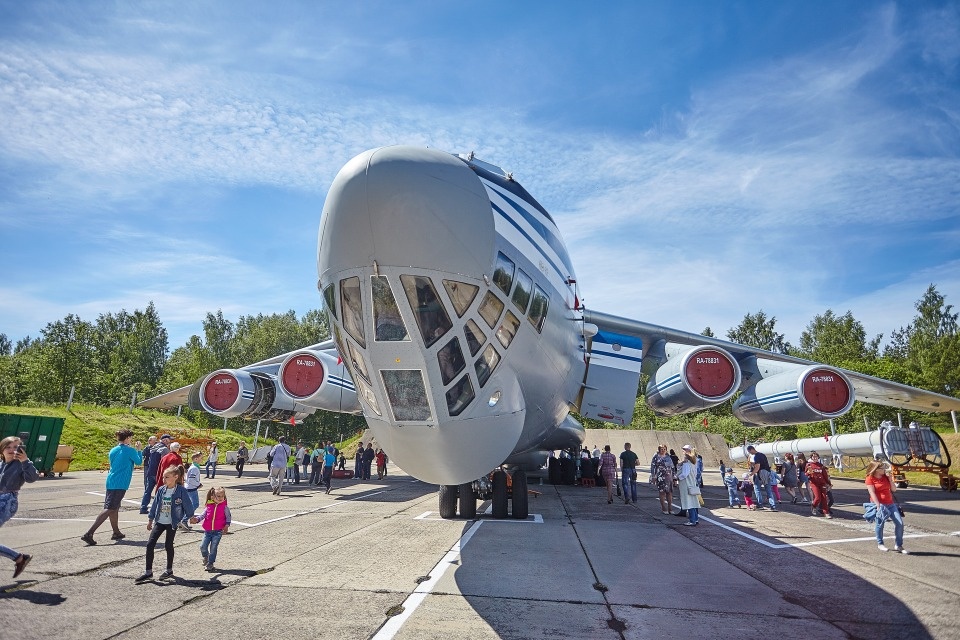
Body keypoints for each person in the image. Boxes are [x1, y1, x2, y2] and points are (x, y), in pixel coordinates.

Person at [136, 465, 196, 583]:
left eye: (167, 477)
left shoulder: (181, 491)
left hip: (172, 522)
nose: (164, 479)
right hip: (160, 521)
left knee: (168, 545)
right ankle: (148, 572)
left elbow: (188, 505)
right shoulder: (161, 490)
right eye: (164, 477)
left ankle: (169, 570)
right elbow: (155, 505)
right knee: (150, 544)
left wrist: (191, 517)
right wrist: (150, 519)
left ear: (175, 477)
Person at [82, 429, 142, 545]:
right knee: (110, 508)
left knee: (114, 507)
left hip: (111, 481)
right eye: (130, 437)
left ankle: (116, 532)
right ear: (127, 438)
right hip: (121, 482)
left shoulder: (113, 450)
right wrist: (139, 450)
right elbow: (139, 462)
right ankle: (89, 533)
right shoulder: (130, 450)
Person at [0, 436, 38, 578]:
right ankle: (20, 558)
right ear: (2, 449)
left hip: (7, 502)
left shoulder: (21, 464)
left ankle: (19, 558)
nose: (12, 450)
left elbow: (32, 478)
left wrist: (25, 461)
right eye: (8, 447)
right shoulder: (1, 464)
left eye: (16, 447)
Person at [865, 460, 908, 553]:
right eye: (882, 468)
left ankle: (899, 545)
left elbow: (894, 489)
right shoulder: (870, 478)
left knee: (899, 523)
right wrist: (877, 505)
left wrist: (890, 480)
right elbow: (871, 492)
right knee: (880, 524)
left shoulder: (886, 477)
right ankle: (880, 544)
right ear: (876, 469)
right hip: (879, 504)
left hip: (890, 503)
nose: (884, 469)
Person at [190, 486, 232, 571]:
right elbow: (202, 515)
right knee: (202, 546)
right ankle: (206, 557)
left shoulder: (224, 507)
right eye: (218, 496)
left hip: (218, 532)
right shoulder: (209, 506)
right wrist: (196, 519)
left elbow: (228, 517)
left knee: (213, 548)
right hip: (207, 531)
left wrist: (226, 526)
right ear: (212, 497)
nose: (221, 498)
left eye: (222, 496)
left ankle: (210, 563)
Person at [140, 434, 171, 514]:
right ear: (165, 440)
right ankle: (157, 509)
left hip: (150, 471)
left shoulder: (153, 448)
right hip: (158, 473)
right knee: (161, 491)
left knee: (148, 491)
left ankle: (143, 507)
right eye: (168, 440)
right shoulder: (164, 449)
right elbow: (165, 462)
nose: (169, 442)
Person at [746, 445, 777, 511]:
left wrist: (751, 474)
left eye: (749, 451)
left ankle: (760, 504)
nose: (750, 453)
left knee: (757, 489)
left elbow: (757, 467)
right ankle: (773, 506)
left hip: (760, 474)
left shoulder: (756, 457)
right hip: (767, 473)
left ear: (751, 449)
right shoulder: (763, 455)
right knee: (769, 491)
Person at [676, 447, 700, 526]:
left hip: (686, 484)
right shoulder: (693, 464)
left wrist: (677, 478)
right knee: (693, 502)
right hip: (692, 484)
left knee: (688, 503)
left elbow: (684, 474)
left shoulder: (686, 464)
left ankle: (692, 520)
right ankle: (695, 519)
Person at [805, 452, 833, 519]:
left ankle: (826, 512)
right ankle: (813, 506)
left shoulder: (821, 465)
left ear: (818, 458)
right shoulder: (809, 465)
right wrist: (808, 473)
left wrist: (828, 483)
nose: (815, 458)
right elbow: (806, 473)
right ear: (811, 458)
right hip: (814, 483)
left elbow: (825, 475)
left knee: (824, 498)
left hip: (822, 483)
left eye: (816, 457)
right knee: (817, 497)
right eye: (813, 457)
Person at [181, 451, 204, 530]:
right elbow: (191, 479)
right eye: (201, 458)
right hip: (191, 488)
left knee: (191, 504)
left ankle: (183, 520)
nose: (202, 460)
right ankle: (184, 520)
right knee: (195, 504)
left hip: (190, 487)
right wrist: (198, 484)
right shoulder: (194, 468)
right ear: (196, 459)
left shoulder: (194, 467)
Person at [649, 444, 675, 514]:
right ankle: (664, 507)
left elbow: (672, 467)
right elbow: (653, 467)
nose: (663, 450)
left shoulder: (668, 457)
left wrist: (674, 477)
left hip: (668, 476)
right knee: (662, 492)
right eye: (661, 449)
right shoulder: (656, 457)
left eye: (664, 449)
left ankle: (670, 507)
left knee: (669, 492)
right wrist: (653, 476)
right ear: (659, 450)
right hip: (660, 476)